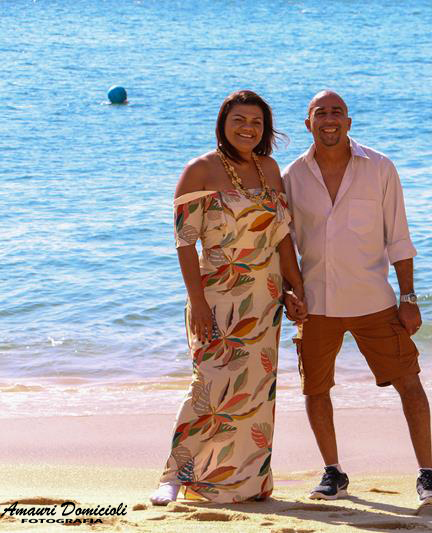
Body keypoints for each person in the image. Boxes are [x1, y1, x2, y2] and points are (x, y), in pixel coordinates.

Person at [281, 90, 432, 506]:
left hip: (375, 301)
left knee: (410, 383)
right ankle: (333, 473)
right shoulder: (291, 176)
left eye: (337, 112)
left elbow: (399, 237)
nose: (329, 119)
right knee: (315, 389)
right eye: (321, 113)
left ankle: (427, 476)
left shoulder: (380, 167)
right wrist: (288, 291)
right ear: (308, 124)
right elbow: (282, 243)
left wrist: (408, 296)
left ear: (349, 122)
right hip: (316, 304)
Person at [150, 90, 307, 505]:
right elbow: (185, 244)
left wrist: (295, 289)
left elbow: (282, 237)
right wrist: (197, 301)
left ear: (265, 128)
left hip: (266, 296)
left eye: (255, 122)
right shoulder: (198, 170)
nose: (247, 128)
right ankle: (174, 475)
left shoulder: (270, 169)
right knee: (209, 385)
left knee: (255, 392)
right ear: (223, 123)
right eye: (238, 120)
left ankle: (246, 483)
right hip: (216, 293)